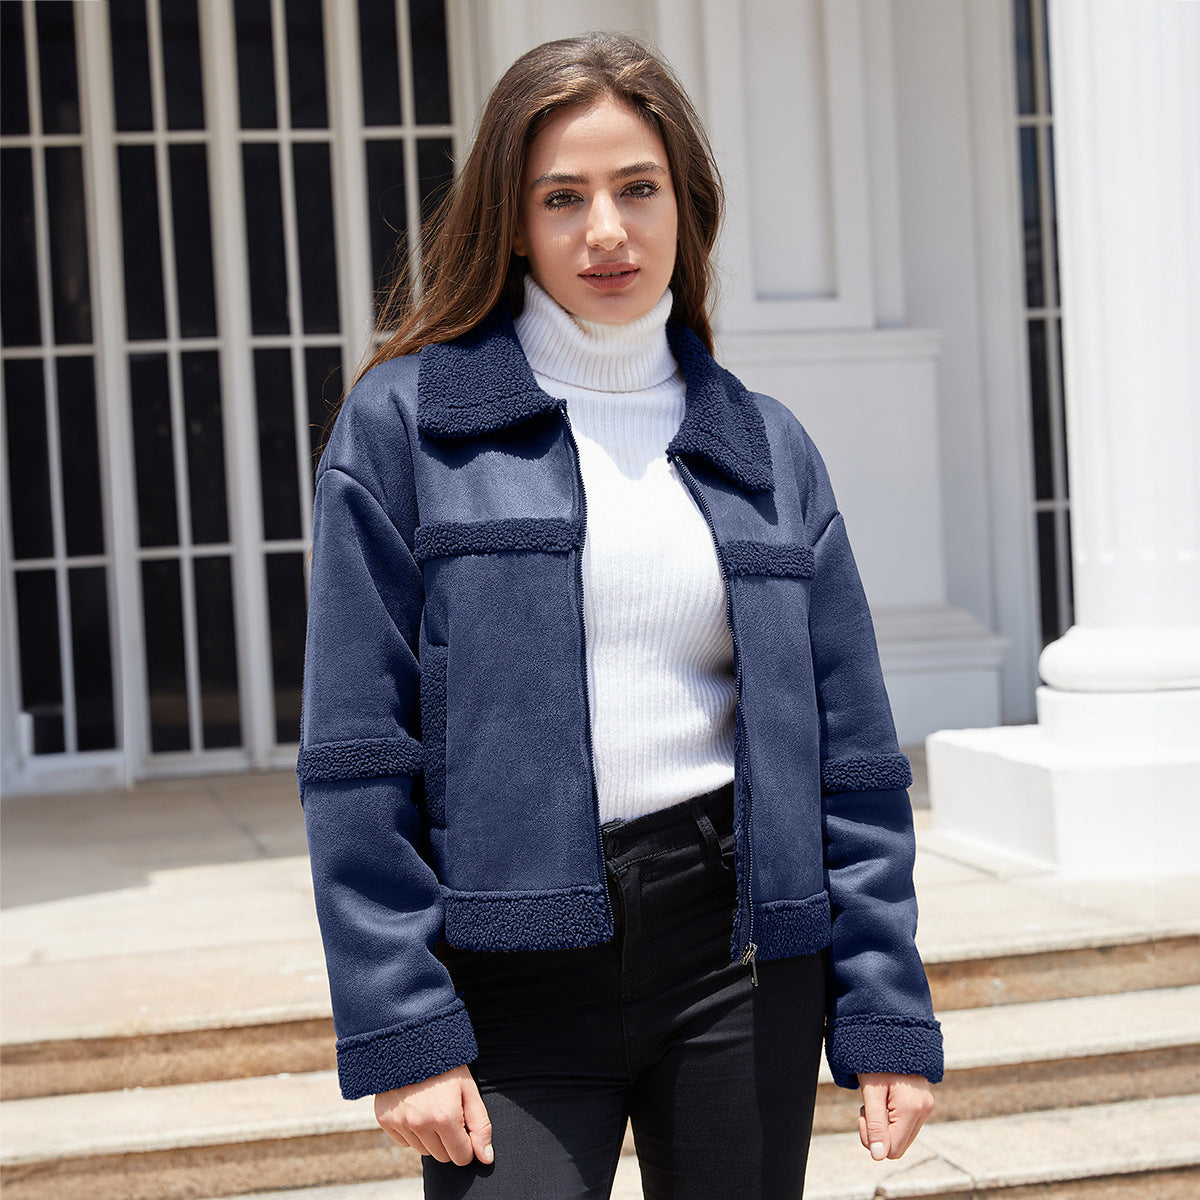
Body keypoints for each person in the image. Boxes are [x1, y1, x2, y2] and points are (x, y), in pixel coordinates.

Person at [297, 30, 942, 1200]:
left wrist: (886, 1008)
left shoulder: (765, 447)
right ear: (512, 219)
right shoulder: (408, 430)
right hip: (508, 974)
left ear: (687, 208)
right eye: (564, 196)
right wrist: (406, 1027)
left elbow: (850, 760)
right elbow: (356, 755)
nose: (608, 231)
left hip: (739, 959)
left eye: (638, 189)